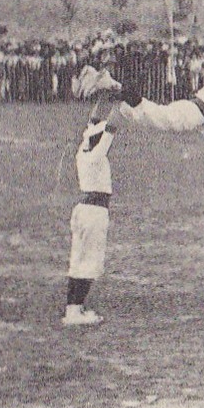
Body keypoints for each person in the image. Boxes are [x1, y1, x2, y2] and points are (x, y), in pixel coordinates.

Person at [97, 58, 204, 142]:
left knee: (149, 116)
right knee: (153, 116)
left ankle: (115, 88)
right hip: (194, 115)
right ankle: (115, 86)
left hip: (190, 106)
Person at [62, 92, 121, 326]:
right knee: (89, 262)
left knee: (78, 260)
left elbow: (95, 120)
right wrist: (122, 100)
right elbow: (113, 125)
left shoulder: (83, 150)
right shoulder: (97, 154)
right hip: (94, 212)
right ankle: (75, 312)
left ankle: (72, 309)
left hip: (83, 209)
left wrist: (105, 95)